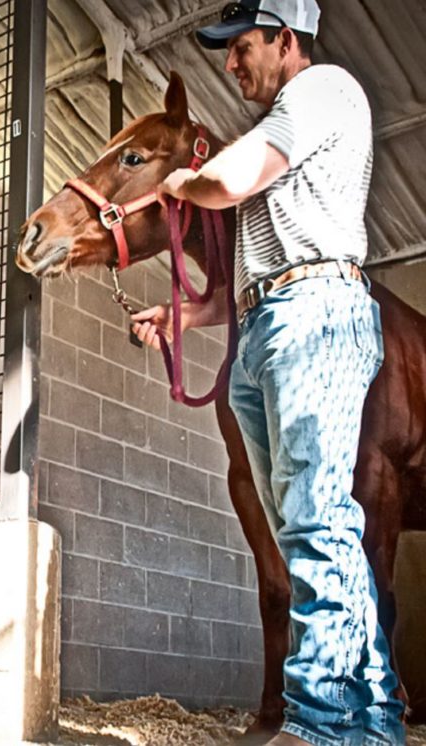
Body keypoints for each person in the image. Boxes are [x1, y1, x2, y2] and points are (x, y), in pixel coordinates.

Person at [130, 1, 406, 744]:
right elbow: (247, 276)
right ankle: (373, 718)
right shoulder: (282, 126)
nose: (230, 62)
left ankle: (316, 726)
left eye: (242, 46)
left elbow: (228, 181)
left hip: (314, 312)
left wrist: (175, 184)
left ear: (287, 39)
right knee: (304, 527)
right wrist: (182, 317)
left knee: (317, 519)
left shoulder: (320, 91)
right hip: (267, 320)